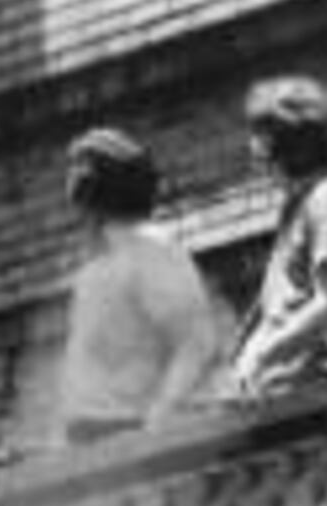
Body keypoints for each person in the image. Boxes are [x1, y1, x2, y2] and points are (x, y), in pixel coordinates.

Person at [51, 128, 221, 443]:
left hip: (128, 439)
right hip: (89, 448)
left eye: (82, 193)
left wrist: (157, 421)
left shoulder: (151, 251)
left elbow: (198, 343)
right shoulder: (95, 270)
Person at [218, 76, 327, 399]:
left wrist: (263, 356)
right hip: (278, 400)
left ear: (289, 144)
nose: (254, 152)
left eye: (262, 138)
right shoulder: (300, 211)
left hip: (316, 404)